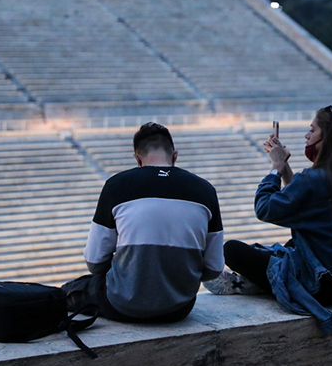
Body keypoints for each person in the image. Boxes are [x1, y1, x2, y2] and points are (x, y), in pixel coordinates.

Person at [205, 106, 332, 334]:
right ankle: (257, 283)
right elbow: (304, 201)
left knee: (231, 250)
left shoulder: (313, 179)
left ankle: (252, 284)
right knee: (285, 249)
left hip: (322, 286)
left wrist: (276, 168)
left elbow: (265, 208)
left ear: (326, 138)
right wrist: (287, 167)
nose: (307, 136)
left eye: (312, 130)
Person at [63, 122, 224, 322]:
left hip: (122, 305)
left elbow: (94, 261)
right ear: (175, 156)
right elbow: (214, 268)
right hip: (180, 308)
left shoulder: (116, 186)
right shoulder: (206, 190)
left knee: (71, 291)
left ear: (137, 159)